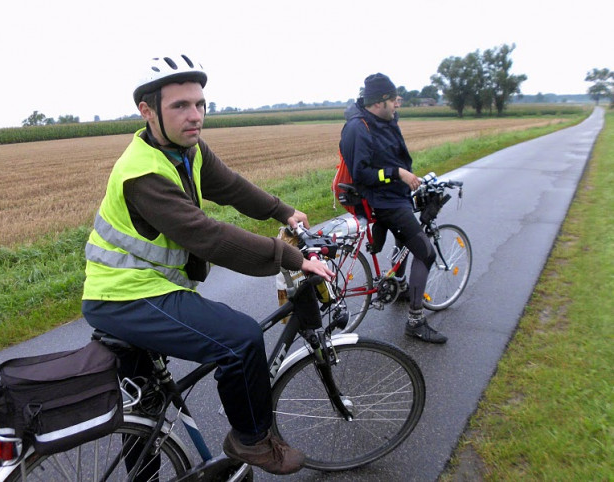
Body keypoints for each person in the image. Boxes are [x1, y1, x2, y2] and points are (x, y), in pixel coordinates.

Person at [81, 53, 333, 475]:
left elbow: (231, 187)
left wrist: (283, 211)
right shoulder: (141, 173)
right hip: (124, 297)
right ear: (147, 111)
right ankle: (250, 440)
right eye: (180, 106)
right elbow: (209, 236)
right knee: (240, 339)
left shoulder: (187, 150)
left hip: (145, 290)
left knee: (145, 404)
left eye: (200, 104)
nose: (195, 115)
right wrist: (291, 258)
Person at [339, 73, 447, 344]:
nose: (398, 104)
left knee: (404, 238)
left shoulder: (383, 119)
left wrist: (404, 176)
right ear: (379, 102)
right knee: (425, 252)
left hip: (395, 196)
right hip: (383, 201)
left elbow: (389, 152)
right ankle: (415, 321)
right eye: (393, 99)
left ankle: (399, 287)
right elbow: (362, 174)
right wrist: (396, 173)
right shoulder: (358, 128)